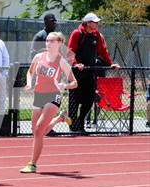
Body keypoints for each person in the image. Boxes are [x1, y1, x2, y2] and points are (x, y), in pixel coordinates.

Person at [20, 32, 78, 173]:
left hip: (53, 96)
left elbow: (75, 83)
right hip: (38, 95)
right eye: (47, 40)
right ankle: (59, 119)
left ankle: (32, 164)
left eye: (52, 41)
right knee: (37, 132)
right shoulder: (38, 57)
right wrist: (29, 83)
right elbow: (30, 72)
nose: (48, 43)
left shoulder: (61, 61)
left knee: (39, 129)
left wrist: (65, 85)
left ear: (59, 43)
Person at [67, 12, 120, 134]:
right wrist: (75, 64)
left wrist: (110, 63)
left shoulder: (96, 35)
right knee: (74, 101)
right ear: (88, 23)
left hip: (90, 73)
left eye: (97, 22)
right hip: (76, 74)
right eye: (94, 22)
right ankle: (73, 127)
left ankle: (80, 124)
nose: (97, 24)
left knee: (89, 99)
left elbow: (102, 50)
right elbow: (70, 52)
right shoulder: (77, 33)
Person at [30, 14, 58, 136]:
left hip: (53, 75)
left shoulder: (55, 36)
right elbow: (33, 53)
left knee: (50, 102)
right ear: (46, 22)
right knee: (41, 103)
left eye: (55, 21)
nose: (54, 23)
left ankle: (47, 127)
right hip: (42, 74)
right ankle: (38, 127)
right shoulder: (40, 36)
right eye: (52, 21)